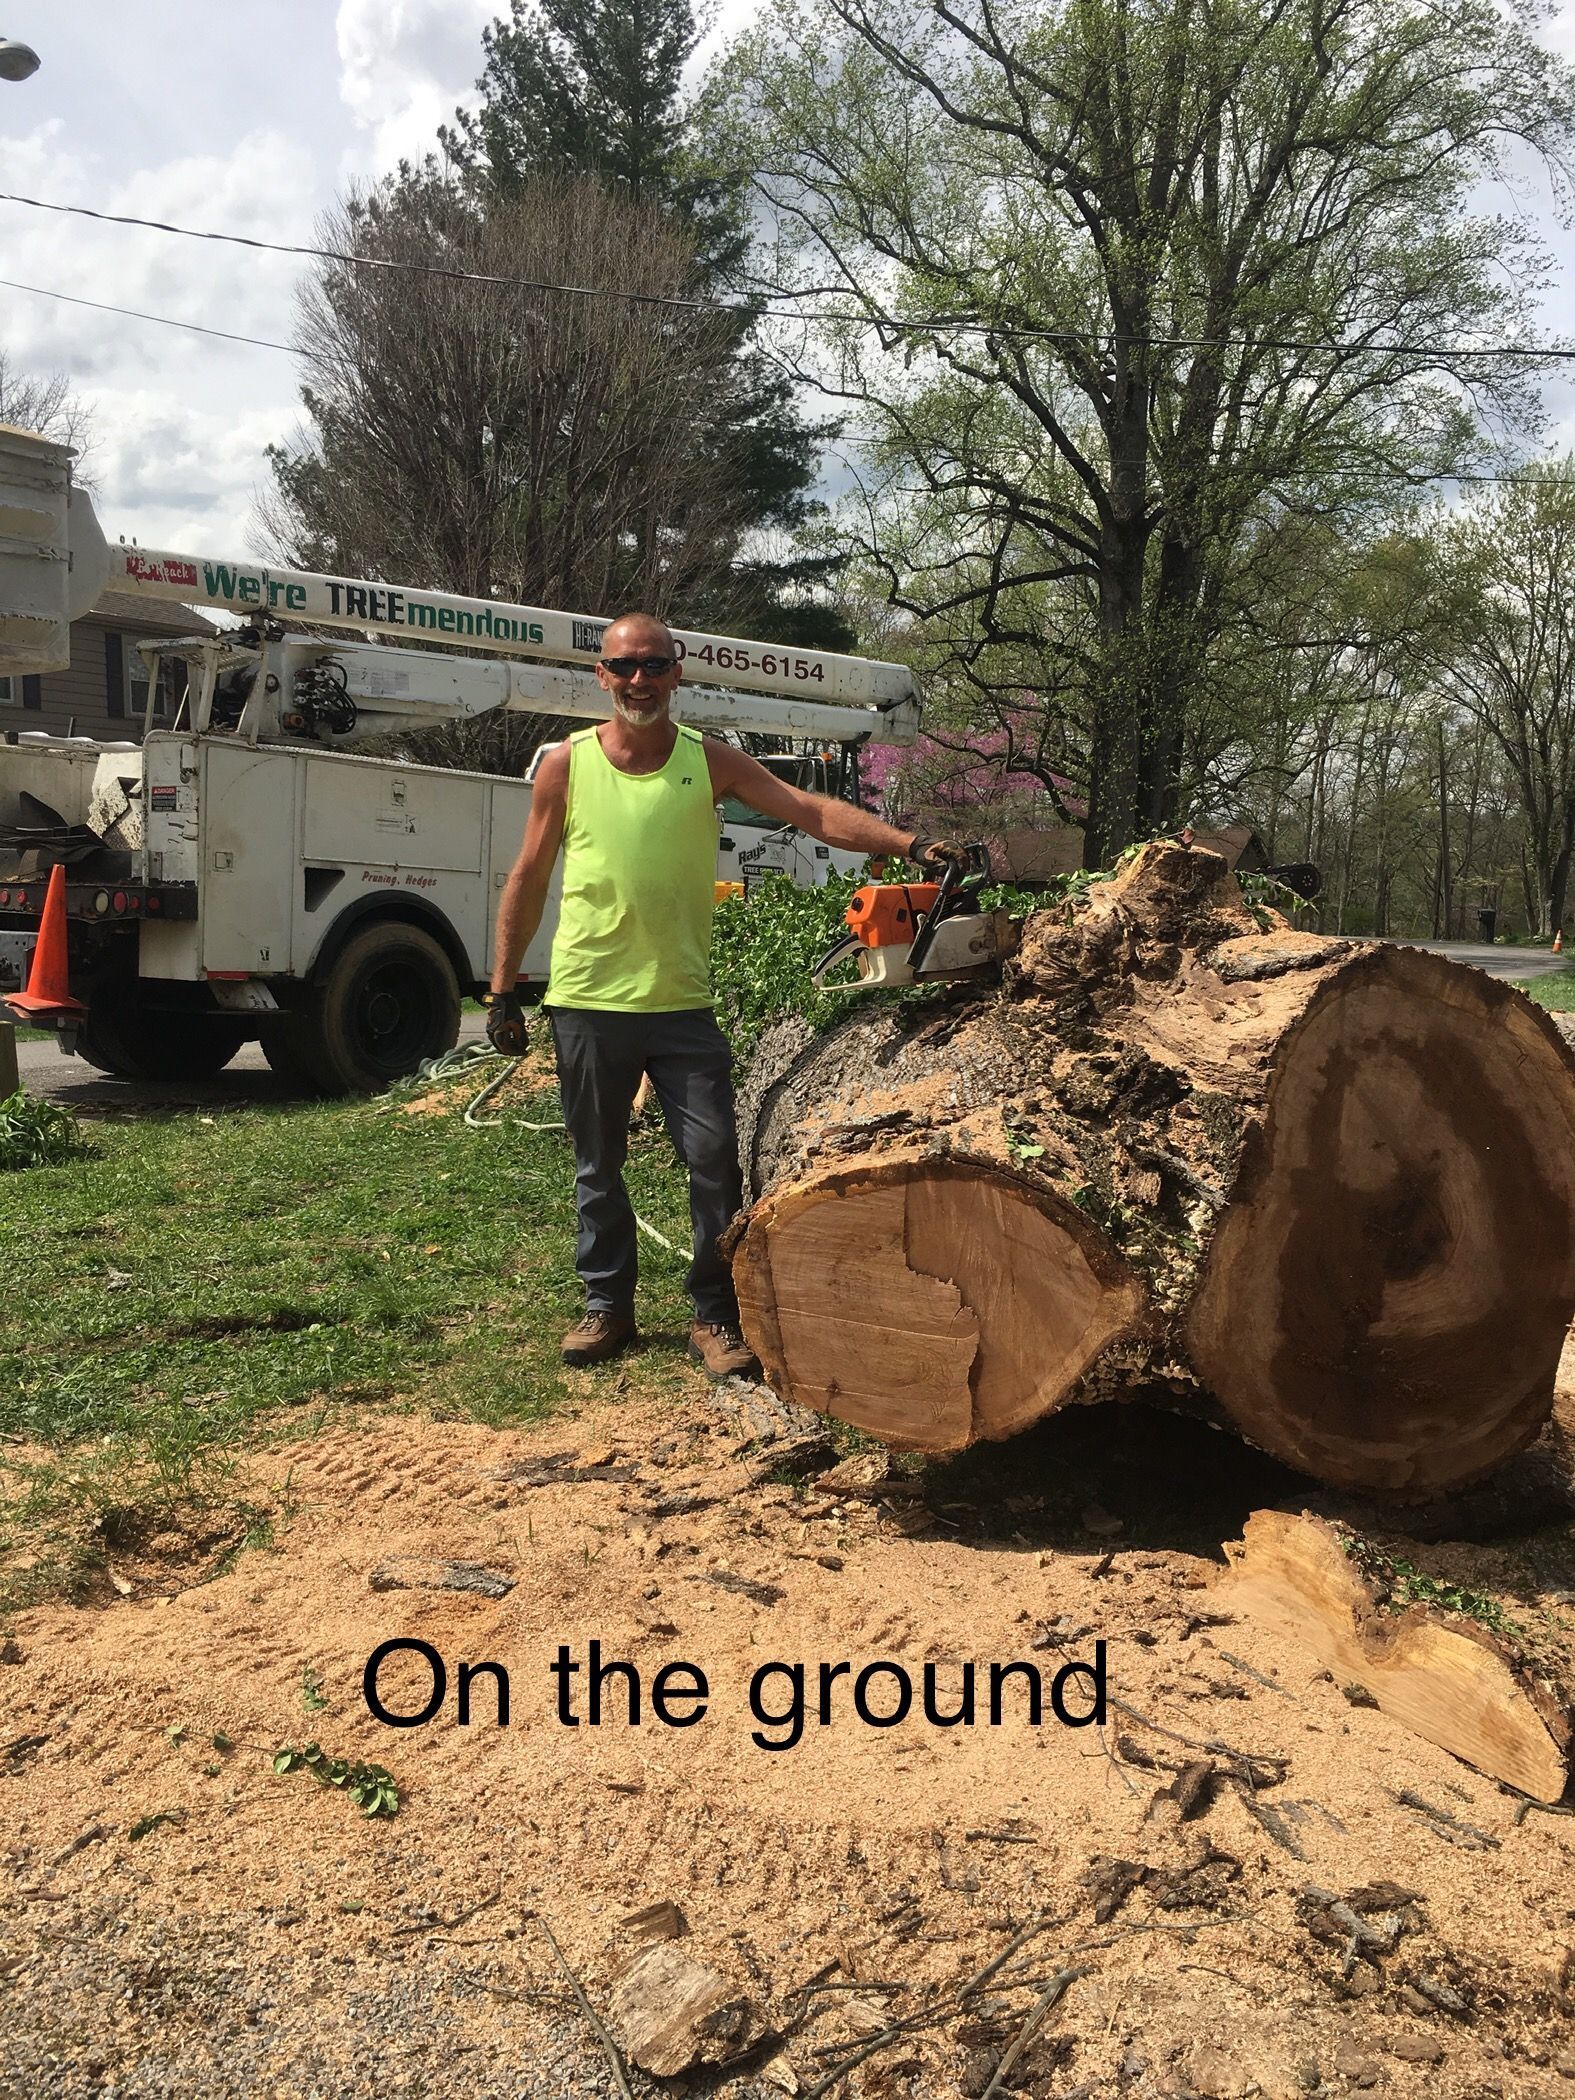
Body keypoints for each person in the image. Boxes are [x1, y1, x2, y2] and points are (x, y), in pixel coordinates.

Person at [484, 612, 959, 1378]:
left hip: (680, 1005)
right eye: (624, 667)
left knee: (713, 1160)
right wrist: (503, 992)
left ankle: (713, 1313)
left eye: (654, 666)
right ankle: (606, 1305)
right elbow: (529, 876)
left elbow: (810, 812)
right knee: (596, 1165)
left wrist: (908, 845)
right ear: (601, 677)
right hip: (587, 1001)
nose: (639, 680)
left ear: (678, 674)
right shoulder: (566, 765)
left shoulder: (710, 762)